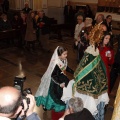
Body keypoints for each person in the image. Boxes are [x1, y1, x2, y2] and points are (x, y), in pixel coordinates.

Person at [61, 24, 109, 120]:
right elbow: (101, 70)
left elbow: (80, 69)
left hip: (87, 89)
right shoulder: (96, 53)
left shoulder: (90, 52)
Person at [35, 46, 74, 112]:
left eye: (66, 53)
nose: (66, 55)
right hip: (56, 81)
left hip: (61, 78)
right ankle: (47, 105)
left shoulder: (63, 60)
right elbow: (53, 75)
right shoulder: (56, 63)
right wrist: (59, 83)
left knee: (61, 93)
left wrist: (73, 72)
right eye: (64, 54)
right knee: (54, 94)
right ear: (59, 55)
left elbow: (65, 67)